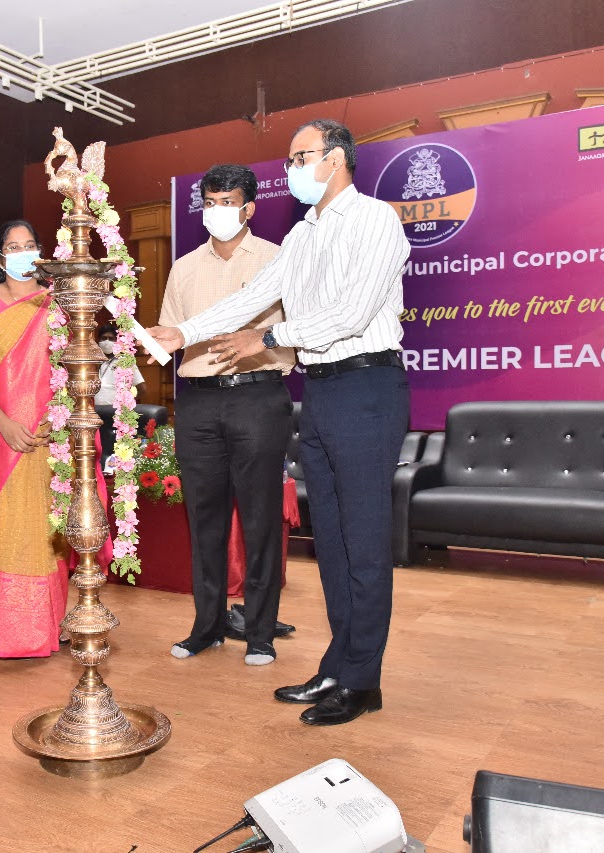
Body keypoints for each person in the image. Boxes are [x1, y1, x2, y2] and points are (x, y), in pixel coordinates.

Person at [149, 119, 410, 726]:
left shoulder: (375, 219)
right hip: (320, 391)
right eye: (289, 159)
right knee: (334, 543)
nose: (291, 169)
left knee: (364, 543)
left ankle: (363, 680)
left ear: (336, 158)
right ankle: (338, 665)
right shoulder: (302, 234)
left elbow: (350, 314)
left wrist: (268, 338)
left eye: (300, 157)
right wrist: (184, 332)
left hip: (366, 386)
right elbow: (254, 296)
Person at [158, 163, 295, 667]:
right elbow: (171, 333)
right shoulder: (184, 267)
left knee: (260, 521)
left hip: (258, 397)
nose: (216, 211)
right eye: (210, 203)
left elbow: (298, 327)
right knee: (204, 521)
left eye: (227, 203)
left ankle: (260, 632)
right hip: (197, 400)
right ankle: (208, 625)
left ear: (249, 208)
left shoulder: (277, 259)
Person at [0, 219, 70, 658]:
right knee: (13, 528)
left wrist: (57, 416)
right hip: (0, 434)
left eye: (30, 245)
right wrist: (4, 423)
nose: (23, 253)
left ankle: (53, 621)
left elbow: (68, 366)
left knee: (51, 527)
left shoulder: (56, 301)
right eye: (13, 246)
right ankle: (20, 633)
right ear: (0, 256)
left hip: (50, 433)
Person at [95, 323, 145, 405]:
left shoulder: (125, 361)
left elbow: (142, 389)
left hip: (116, 410)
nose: (107, 342)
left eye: (111, 339)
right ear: (98, 341)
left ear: (117, 341)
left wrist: (125, 403)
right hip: (94, 410)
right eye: (103, 338)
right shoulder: (93, 361)